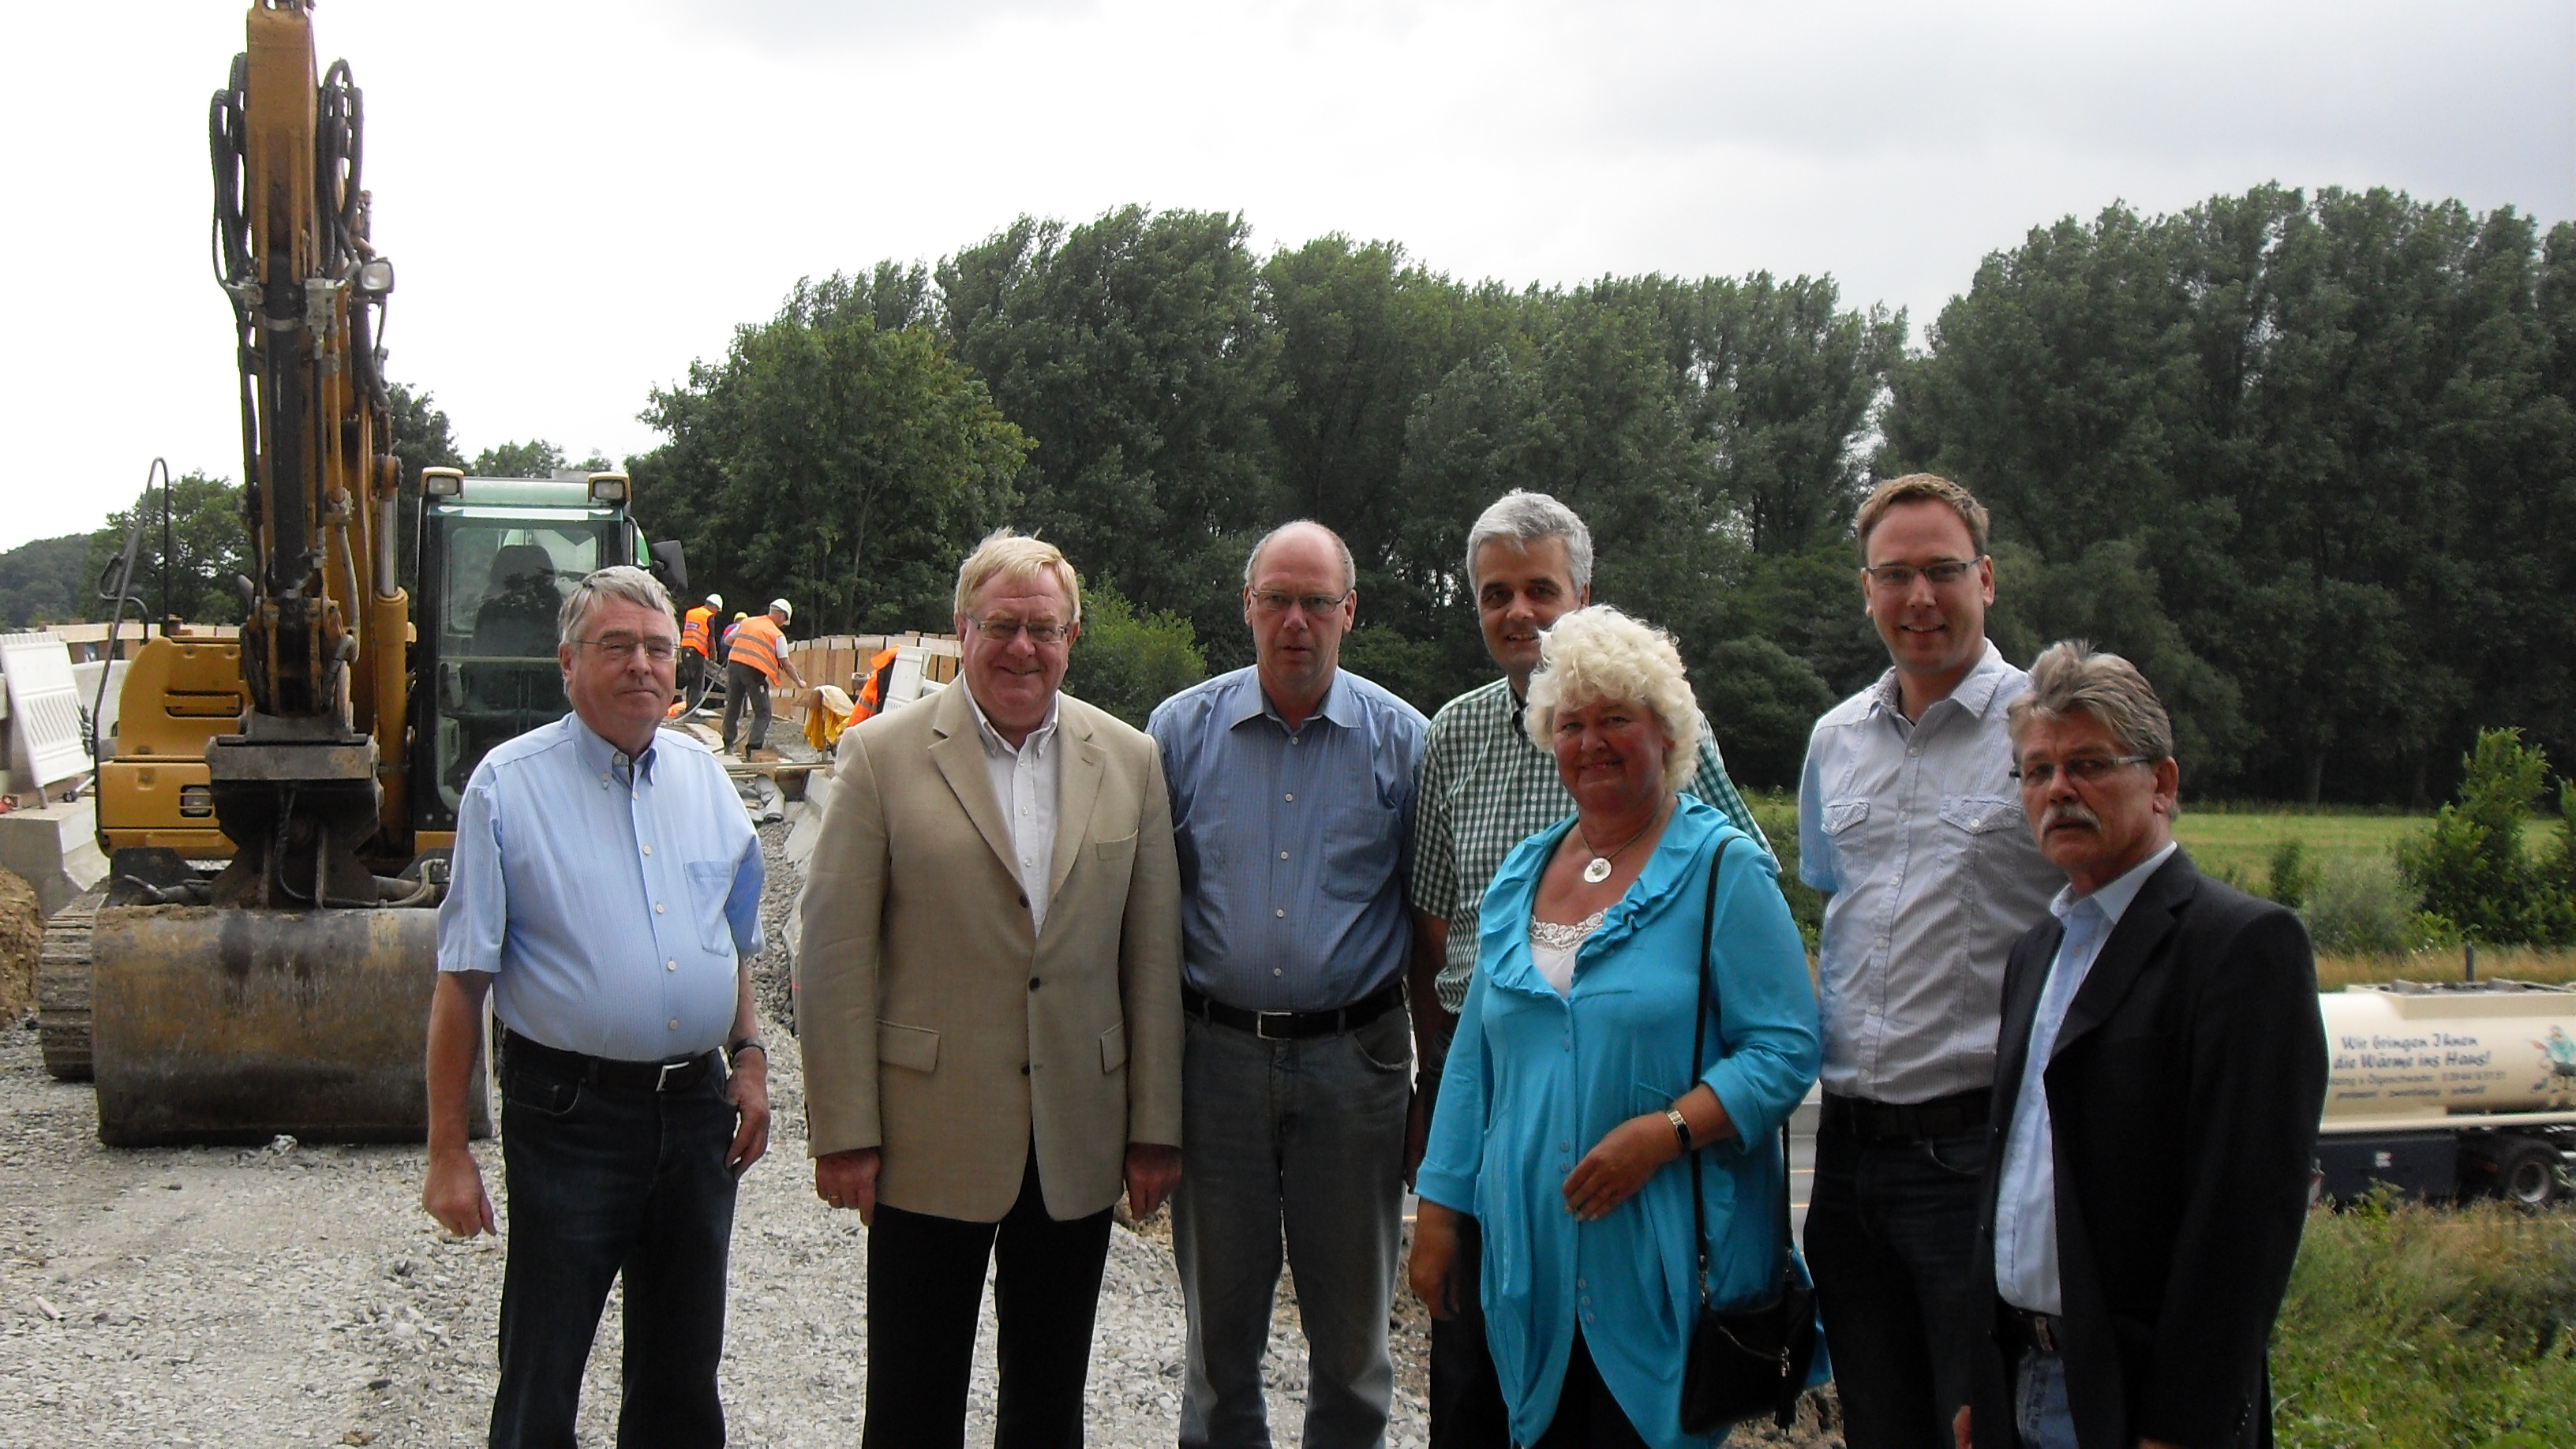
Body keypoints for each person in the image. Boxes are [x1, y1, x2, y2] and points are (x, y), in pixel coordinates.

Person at [799, 529, 1185, 1448]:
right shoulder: (881, 756)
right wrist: (844, 1130)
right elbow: (836, 952)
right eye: (1002, 625)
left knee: (1050, 1401)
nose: (1023, 647)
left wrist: (1154, 1124)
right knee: (911, 1399)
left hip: (1076, 1137)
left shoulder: (1130, 761)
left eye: (1044, 629)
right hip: (926, 1134)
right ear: (961, 629)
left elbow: (1152, 953)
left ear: (1073, 636)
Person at [1407, 489, 1773, 1447]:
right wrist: (1439, 1204)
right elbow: (1435, 930)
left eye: (1539, 589)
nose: (1590, 742)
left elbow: (1761, 975)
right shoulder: (1466, 755)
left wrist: (1668, 1126)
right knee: (1479, 1394)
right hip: (1496, 1108)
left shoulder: (1708, 847)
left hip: (1649, 1166)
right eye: (1497, 593)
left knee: (1627, 1409)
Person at [421, 564, 770, 1448]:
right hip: (570, 1112)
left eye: (659, 649)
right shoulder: (509, 787)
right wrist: (447, 1150)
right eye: (617, 648)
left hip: (695, 1111)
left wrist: (753, 1058)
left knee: (683, 1370)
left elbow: (729, 939)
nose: (643, 667)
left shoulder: (704, 778)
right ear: (568, 664)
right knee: (546, 1356)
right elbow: (463, 980)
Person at [1956, 643, 2325, 1449]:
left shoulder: (2240, 948)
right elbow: (2010, 1182)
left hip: (2133, 1403)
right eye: (2038, 770)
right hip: (2018, 1379)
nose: (2059, 791)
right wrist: (1978, 1384)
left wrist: (2180, 1424)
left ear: (2162, 783)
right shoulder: (2037, 953)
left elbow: (2244, 1222)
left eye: (2088, 764)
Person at [1148, 520, 1428, 1449]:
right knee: (1218, 1343)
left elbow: (1427, 928)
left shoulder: (1406, 743)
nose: (1295, 621)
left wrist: (1429, 1099)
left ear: (1350, 612)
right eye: (1277, 599)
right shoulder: (1179, 735)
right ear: (1248, 608)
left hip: (1356, 1065)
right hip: (1215, 1064)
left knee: (1352, 1348)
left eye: (1316, 601)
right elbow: (1148, 921)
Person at [1795, 474, 2061, 1449]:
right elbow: (1838, 902)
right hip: (1850, 1154)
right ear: (1865, 590)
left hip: (1975, 1155)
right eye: (1894, 575)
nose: (1920, 598)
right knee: (1880, 1423)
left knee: (1983, 1421)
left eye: (1942, 572)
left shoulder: (2046, 730)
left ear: (1985, 579)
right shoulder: (1835, 741)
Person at [721, 597, 807, 761]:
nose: (783, 624)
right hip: (753, 672)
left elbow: (728, 640)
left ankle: (728, 744)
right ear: (782, 615)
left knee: (733, 707)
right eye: (785, 620)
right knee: (763, 712)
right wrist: (799, 682)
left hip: (734, 666)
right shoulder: (776, 635)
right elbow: (785, 663)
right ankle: (753, 749)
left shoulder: (747, 622)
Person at [679, 590, 722, 704]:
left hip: (685, 650)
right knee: (698, 683)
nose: (716, 613)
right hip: (697, 652)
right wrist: (713, 655)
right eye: (717, 610)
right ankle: (693, 710)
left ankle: (689, 707)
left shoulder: (691, 613)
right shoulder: (709, 616)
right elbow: (711, 637)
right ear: (713, 606)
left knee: (690, 681)